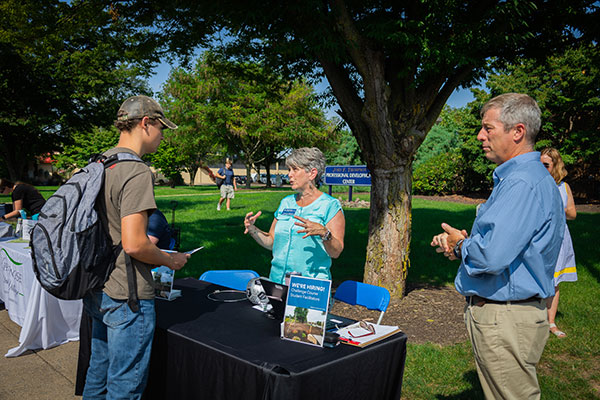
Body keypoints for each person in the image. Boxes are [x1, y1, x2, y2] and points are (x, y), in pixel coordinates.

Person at [430, 93, 565, 400]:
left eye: (488, 128)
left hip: (506, 317)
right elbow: (506, 246)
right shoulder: (525, 178)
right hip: (511, 313)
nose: (480, 136)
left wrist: (461, 244)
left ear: (517, 131)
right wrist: (465, 245)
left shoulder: (521, 183)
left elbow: (492, 256)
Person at [82, 95, 189, 399]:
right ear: (146, 123)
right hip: (126, 295)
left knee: (98, 373)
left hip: (96, 285)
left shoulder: (100, 162)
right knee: (124, 386)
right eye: (161, 128)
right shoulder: (137, 171)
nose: (162, 135)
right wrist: (171, 260)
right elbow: (135, 244)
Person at [244, 147, 345, 284]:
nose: (289, 175)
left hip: (309, 287)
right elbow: (272, 242)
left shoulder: (330, 206)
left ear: (312, 173)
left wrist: (324, 233)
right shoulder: (286, 203)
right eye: (289, 170)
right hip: (277, 282)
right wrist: (253, 230)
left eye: (295, 170)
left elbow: (336, 252)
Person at [541, 147, 577, 338]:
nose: (542, 168)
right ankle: (534, 320)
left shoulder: (563, 187)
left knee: (554, 282)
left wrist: (555, 208)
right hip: (539, 237)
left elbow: (572, 214)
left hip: (559, 237)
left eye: (546, 165)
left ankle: (551, 322)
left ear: (555, 166)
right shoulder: (535, 185)